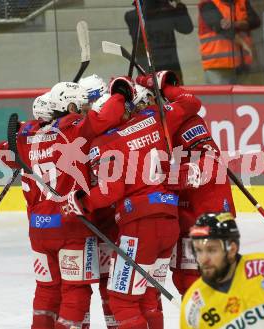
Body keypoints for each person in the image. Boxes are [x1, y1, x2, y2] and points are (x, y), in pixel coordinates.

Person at [63, 71, 201, 329]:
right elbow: (192, 103)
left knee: (123, 302)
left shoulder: (104, 142)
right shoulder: (153, 119)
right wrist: (160, 84)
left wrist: (82, 202)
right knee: (149, 297)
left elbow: (109, 192)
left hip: (139, 227)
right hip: (169, 222)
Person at [0, 80, 129, 329]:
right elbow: (104, 118)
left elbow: (2, 151)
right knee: (75, 291)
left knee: (47, 291)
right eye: (80, 107)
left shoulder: (29, 136)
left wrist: (27, 128)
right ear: (69, 107)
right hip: (70, 224)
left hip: (38, 228)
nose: (83, 112)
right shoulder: (73, 130)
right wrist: (120, 95)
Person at [167, 111, 236, 297]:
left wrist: (160, 177)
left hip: (206, 222)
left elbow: (202, 167)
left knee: (196, 282)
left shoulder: (205, 157)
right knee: (183, 280)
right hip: (190, 222)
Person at [125, 0, 194, 83]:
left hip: (158, 70)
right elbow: (187, 28)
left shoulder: (132, 16)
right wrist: (177, 4)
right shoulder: (167, 14)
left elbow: (187, 28)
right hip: (160, 70)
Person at [198, 0, 260, 84]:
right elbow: (221, 28)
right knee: (221, 95)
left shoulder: (242, 2)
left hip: (242, 62)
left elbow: (255, 21)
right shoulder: (207, 3)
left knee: (243, 95)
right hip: (219, 64)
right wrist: (245, 45)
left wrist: (235, 24)